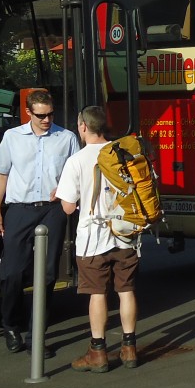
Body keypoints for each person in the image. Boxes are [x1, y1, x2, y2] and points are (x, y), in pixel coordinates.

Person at [0, 89, 79, 353]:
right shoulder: (12, 137)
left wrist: (65, 188)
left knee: (48, 273)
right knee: (12, 273)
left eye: (50, 114)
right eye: (41, 115)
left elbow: (76, 172)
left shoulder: (67, 137)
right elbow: (2, 174)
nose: (46, 120)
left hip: (52, 210)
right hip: (19, 209)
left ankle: (36, 336)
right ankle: (11, 324)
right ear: (28, 112)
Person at [56, 105, 141, 373]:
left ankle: (98, 352)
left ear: (83, 127)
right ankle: (129, 349)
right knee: (126, 290)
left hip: (94, 238)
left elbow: (68, 207)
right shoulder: (123, 152)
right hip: (125, 234)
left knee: (97, 293)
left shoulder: (77, 160)